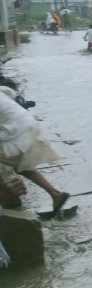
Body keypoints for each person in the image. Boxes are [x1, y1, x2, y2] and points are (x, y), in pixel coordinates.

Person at [0, 87, 69, 216]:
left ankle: (7, 197)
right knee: (22, 166)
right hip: (25, 121)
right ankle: (55, 195)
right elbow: (10, 93)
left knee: (21, 165)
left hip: (15, 131)